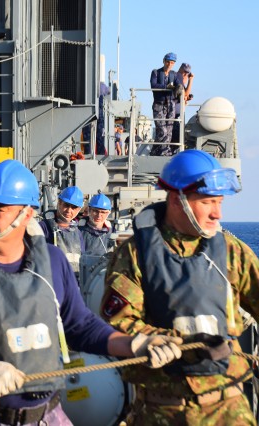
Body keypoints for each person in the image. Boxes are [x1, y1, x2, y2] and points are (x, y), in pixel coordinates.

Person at [0, 159, 183, 425]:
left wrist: (133, 345)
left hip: (45, 415)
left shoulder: (52, 262)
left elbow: (79, 325)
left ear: (27, 214)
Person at [101, 149, 259, 425]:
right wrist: (175, 342)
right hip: (163, 412)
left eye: (219, 202)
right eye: (208, 202)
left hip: (229, 409)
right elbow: (117, 324)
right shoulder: (135, 256)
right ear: (176, 199)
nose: (217, 213)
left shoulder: (232, 252)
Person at [42, 186, 86, 275]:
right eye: (66, 205)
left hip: (73, 279)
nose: (69, 210)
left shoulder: (77, 233)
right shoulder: (43, 227)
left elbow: (82, 260)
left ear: (79, 209)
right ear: (59, 202)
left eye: (74, 207)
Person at [150, 52, 183, 156]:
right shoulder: (156, 72)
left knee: (168, 131)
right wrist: (166, 87)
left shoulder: (175, 75)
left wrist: (179, 87)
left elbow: (179, 84)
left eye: (172, 62)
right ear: (164, 61)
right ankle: (162, 152)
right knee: (162, 130)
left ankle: (159, 152)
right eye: (168, 62)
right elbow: (153, 85)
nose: (169, 64)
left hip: (170, 106)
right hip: (159, 105)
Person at [172, 63, 195, 144]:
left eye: (187, 73)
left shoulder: (180, 80)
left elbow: (186, 95)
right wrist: (190, 80)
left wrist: (186, 97)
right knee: (176, 137)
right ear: (180, 69)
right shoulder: (176, 77)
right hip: (172, 114)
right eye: (184, 72)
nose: (185, 75)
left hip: (176, 116)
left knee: (178, 137)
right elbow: (185, 94)